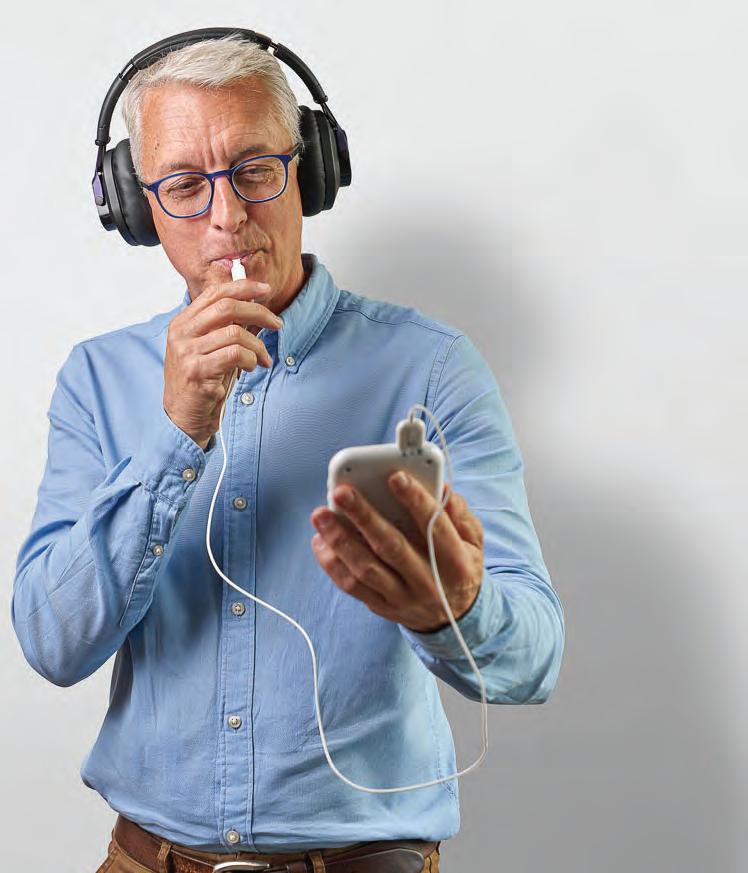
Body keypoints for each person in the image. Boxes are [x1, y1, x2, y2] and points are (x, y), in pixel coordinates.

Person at [10, 33, 565, 873]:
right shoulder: (97, 378)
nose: (227, 216)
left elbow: (535, 660)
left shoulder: (432, 367)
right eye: (185, 185)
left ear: (309, 170)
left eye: (255, 170)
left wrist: (455, 607)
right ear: (136, 206)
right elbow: (53, 642)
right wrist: (177, 432)